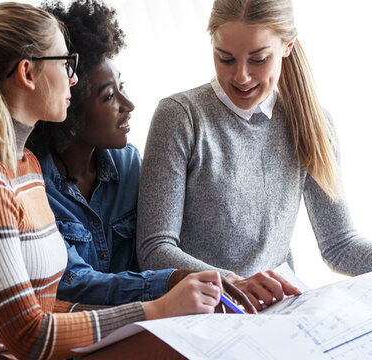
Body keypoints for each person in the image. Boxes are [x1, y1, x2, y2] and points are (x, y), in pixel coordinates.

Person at [134, 0, 372, 354]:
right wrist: (233, 280)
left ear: (287, 46)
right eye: (226, 58)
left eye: (258, 59)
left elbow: (340, 245)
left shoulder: (312, 121)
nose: (242, 76)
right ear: (212, 45)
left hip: (283, 315)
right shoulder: (180, 117)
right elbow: (154, 251)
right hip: (208, 322)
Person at [0, 3, 226, 359]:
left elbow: (52, 308)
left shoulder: (23, 163)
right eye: (65, 64)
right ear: (28, 73)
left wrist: (162, 309)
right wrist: (154, 310)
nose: (73, 78)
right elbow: (27, 335)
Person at [27, 0, 251, 309]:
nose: (128, 104)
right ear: (69, 103)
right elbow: (75, 284)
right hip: (84, 335)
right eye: (109, 96)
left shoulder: (128, 164)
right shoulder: (34, 186)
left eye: (122, 87)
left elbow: (164, 242)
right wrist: (171, 282)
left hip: (150, 324)